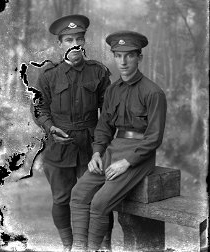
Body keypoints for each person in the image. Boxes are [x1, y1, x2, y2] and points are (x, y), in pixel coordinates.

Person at [70, 30, 167, 251]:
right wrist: (96, 153)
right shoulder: (113, 90)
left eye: (129, 55)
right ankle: (78, 247)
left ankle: (93, 248)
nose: (122, 62)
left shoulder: (153, 92)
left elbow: (154, 138)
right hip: (113, 150)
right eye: (118, 55)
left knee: (99, 203)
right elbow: (104, 127)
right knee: (78, 194)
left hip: (138, 156)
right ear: (114, 56)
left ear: (139, 57)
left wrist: (126, 163)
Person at [32, 15, 113, 251]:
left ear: (84, 41)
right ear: (60, 44)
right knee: (61, 199)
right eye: (69, 40)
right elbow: (39, 107)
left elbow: (107, 114)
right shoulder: (48, 75)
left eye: (79, 38)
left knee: (98, 200)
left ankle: (103, 246)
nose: (74, 44)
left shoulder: (98, 72)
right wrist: (49, 126)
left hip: (91, 147)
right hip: (59, 147)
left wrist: (101, 145)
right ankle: (68, 246)